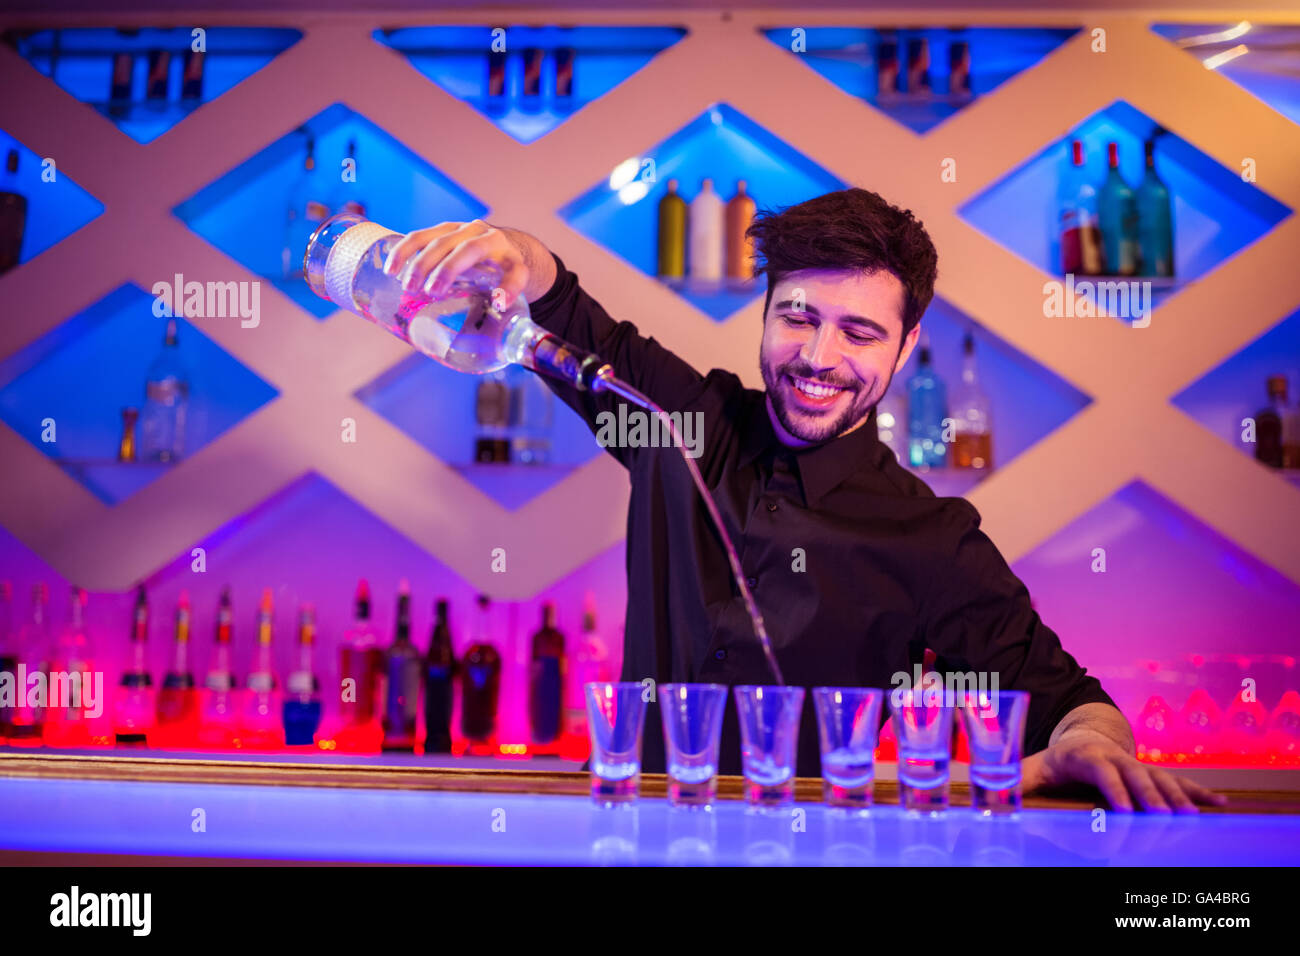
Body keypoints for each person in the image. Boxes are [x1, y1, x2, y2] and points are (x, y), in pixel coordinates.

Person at [383, 187, 1226, 813]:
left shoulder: (930, 538)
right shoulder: (683, 425)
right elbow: (565, 312)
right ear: (765, 312)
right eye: (797, 316)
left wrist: (1088, 744)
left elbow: (1066, 702)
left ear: (905, 348)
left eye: (860, 333)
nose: (818, 356)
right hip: (626, 836)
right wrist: (515, 256)